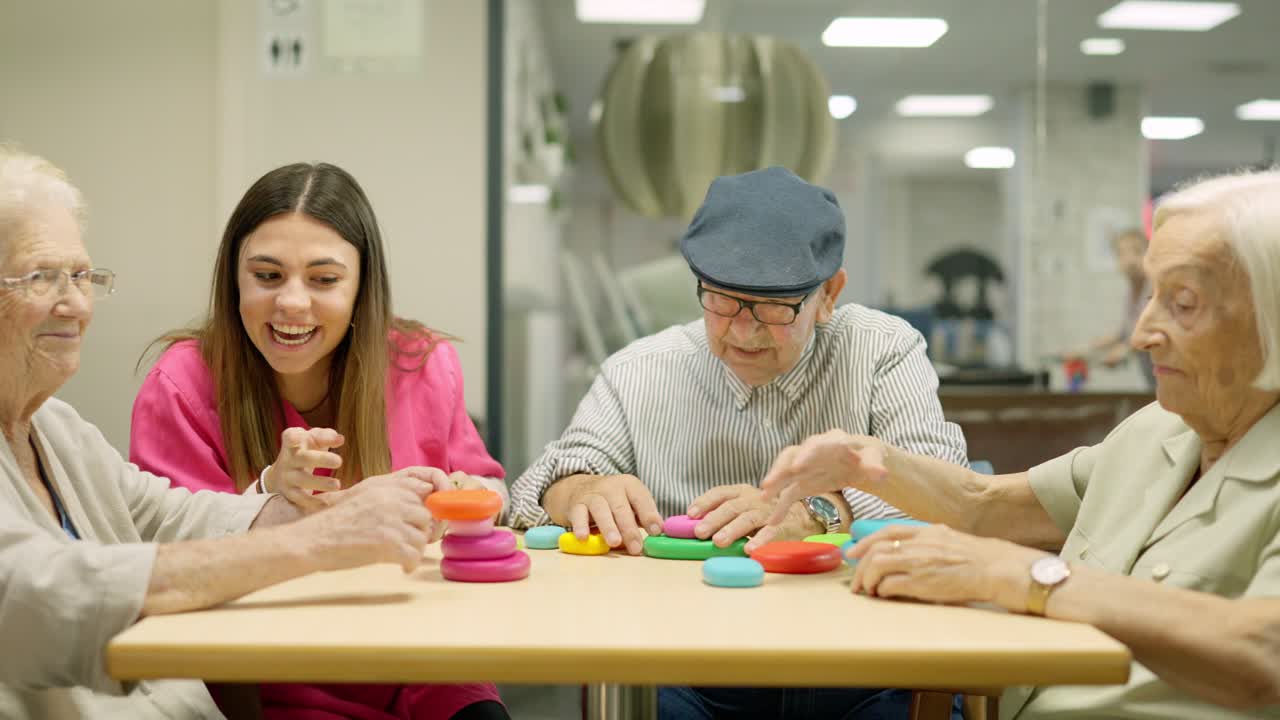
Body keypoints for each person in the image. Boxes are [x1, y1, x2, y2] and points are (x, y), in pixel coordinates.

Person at [758, 168, 1280, 718]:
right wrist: (865, 461)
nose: (1140, 334)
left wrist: (1019, 576)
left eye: (1185, 303)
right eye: (1150, 295)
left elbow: (1264, 650)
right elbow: (984, 507)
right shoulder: (1158, 432)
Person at [0, 146, 445, 720]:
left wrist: (332, 510)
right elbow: (37, 594)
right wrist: (317, 541)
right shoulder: (180, 380)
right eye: (42, 278)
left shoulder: (55, 428)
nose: (76, 304)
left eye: (82, 276)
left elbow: (168, 516)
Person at [509, 166, 967, 720]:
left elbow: (946, 489)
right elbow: (537, 488)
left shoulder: (882, 351)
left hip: (866, 665)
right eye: (722, 301)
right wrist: (581, 489)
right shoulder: (640, 370)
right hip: (690, 668)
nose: (743, 332)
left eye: (774, 308)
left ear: (829, 295)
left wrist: (813, 510)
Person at [130, 162, 508, 720]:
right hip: (264, 679)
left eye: (324, 280)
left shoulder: (424, 364)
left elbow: (492, 494)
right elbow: (166, 562)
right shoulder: (181, 384)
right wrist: (268, 495)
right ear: (234, 279)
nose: (292, 304)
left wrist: (461, 499)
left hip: (422, 663)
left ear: (361, 288)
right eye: (267, 276)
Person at [1070, 227, 1156, 389]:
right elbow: (1123, 334)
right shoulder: (1131, 293)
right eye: (1122, 254)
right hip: (1152, 380)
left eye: (1137, 251)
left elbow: (1151, 333)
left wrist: (1124, 351)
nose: (1130, 260)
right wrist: (1084, 350)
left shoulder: (1155, 289)